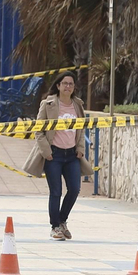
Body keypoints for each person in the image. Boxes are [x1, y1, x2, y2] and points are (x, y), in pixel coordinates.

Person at [36, 71, 88, 240]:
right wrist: (46, 151)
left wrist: (80, 148)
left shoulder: (78, 105)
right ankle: (55, 226)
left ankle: (62, 220)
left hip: (72, 154)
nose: (68, 87)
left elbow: (81, 128)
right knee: (56, 191)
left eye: (71, 84)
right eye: (64, 83)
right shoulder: (48, 104)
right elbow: (39, 130)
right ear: (58, 86)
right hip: (54, 154)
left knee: (74, 189)